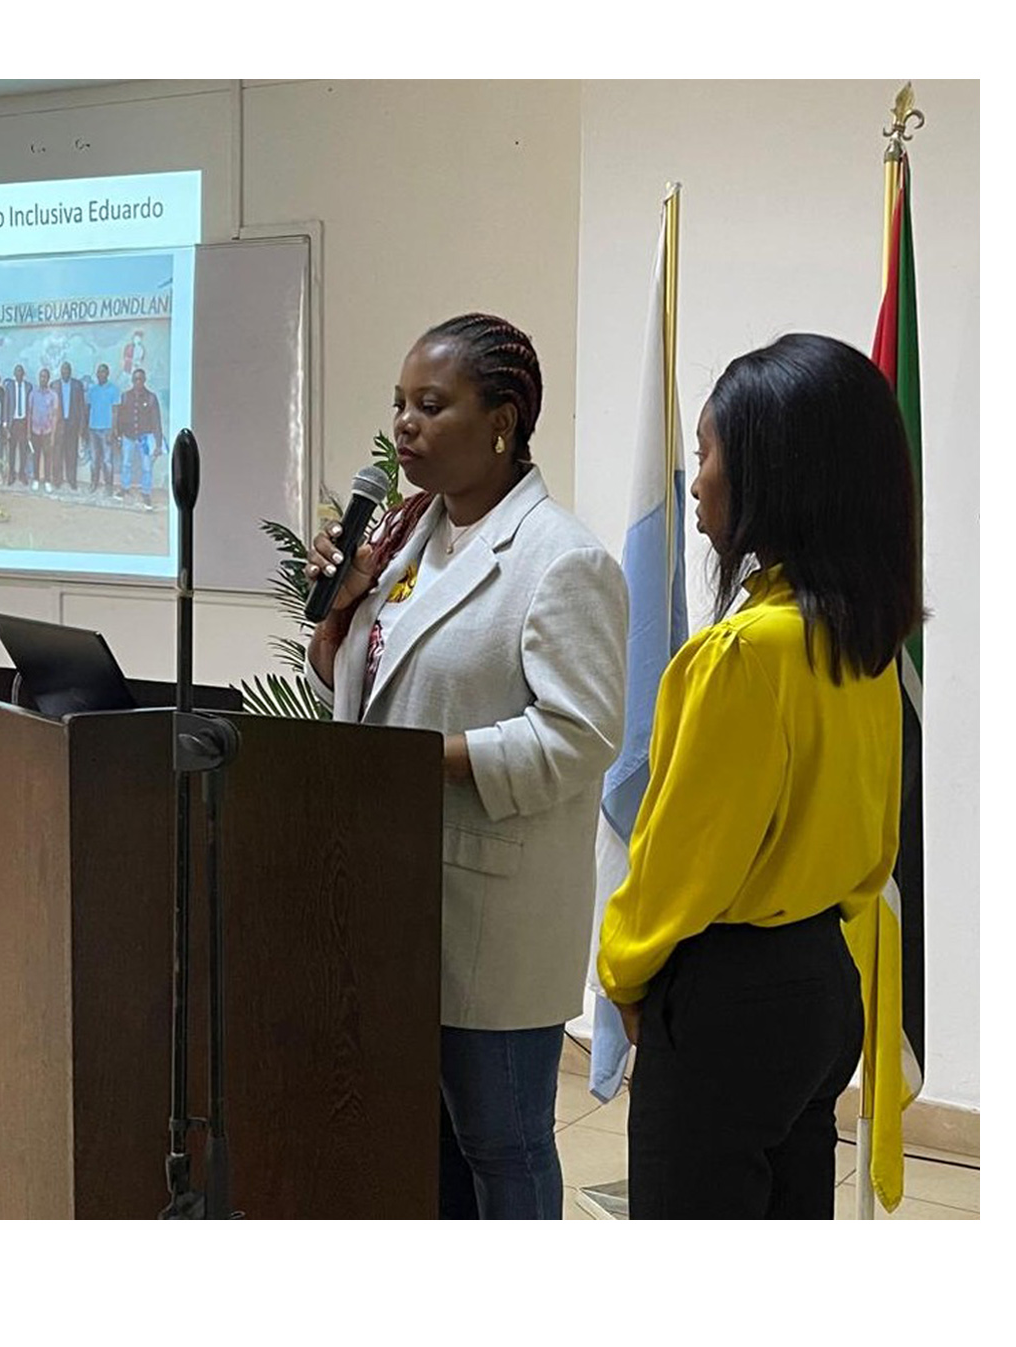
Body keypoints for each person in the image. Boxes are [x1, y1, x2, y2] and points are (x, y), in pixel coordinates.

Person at [305, 312, 626, 1219]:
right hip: (389, 895)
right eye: (399, 404)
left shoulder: (562, 558)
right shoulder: (406, 537)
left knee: (501, 1140)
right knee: (418, 1135)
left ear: (503, 419)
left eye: (431, 405)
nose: (404, 425)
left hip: (489, 911)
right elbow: (353, 680)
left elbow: (579, 735)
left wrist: (421, 763)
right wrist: (338, 611)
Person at [598, 334, 920, 1220]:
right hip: (819, 980)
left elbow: (681, 857)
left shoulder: (742, 652)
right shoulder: (861, 637)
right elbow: (874, 835)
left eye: (708, 455)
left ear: (776, 478)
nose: (695, 479)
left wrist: (623, 972)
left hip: (724, 1000)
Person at [114, 368, 162, 509]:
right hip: (128, 436)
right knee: (126, 464)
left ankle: (146, 492)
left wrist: (158, 443)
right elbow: (120, 417)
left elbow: (156, 421)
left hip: (145, 438)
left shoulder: (151, 398)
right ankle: (124, 488)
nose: (138, 382)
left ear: (144, 380)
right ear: (132, 381)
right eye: (135, 379)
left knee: (146, 466)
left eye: (140, 379)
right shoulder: (125, 396)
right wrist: (118, 435)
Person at [86, 363, 122, 495]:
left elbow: (115, 412)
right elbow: (88, 409)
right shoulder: (92, 390)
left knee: (107, 460)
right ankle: (93, 484)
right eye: (98, 372)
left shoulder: (114, 389)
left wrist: (113, 430)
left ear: (107, 374)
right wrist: (86, 428)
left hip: (107, 429)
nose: (100, 374)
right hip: (93, 429)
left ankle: (108, 486)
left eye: (103, 372)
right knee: (94, 460)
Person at [53, 360, 87, 491]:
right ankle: (57, 480)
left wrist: (82, 427)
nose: (65, 372)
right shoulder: (54, 385)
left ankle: (72, 480)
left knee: (71, 454)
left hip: (72, 425)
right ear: (60, 371)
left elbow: (82, 407)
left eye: (67, 370)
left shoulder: (77, 385)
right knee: (58, 453)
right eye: (63, 370)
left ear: (70, 371)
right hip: (59, 425)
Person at [28, 366, 61, 494]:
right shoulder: (33, 394)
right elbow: (29, 413)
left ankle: (47, 481)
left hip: (47, 431)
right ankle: (36, 479)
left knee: (48, 457)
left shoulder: (53, 395)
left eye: (45, 377)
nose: (42, 379)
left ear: (48, 379)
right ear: (39, 378)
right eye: (41, 376)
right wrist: (28, 432)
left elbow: (55, 416)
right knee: (35, 456)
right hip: (35, 430)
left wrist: (53, 434)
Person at [7, 364, 37, 486]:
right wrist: (5, 425)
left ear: (23, 374)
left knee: (23, 450)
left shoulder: (28, 386)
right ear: (14, 374)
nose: (19, 374)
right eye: (17, 371)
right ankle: (11, 474)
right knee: (12, 450)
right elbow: (6, 405)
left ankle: (22, 474)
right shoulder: (9, 387)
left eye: (21, 371)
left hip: (24, 422)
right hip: (13, 422)